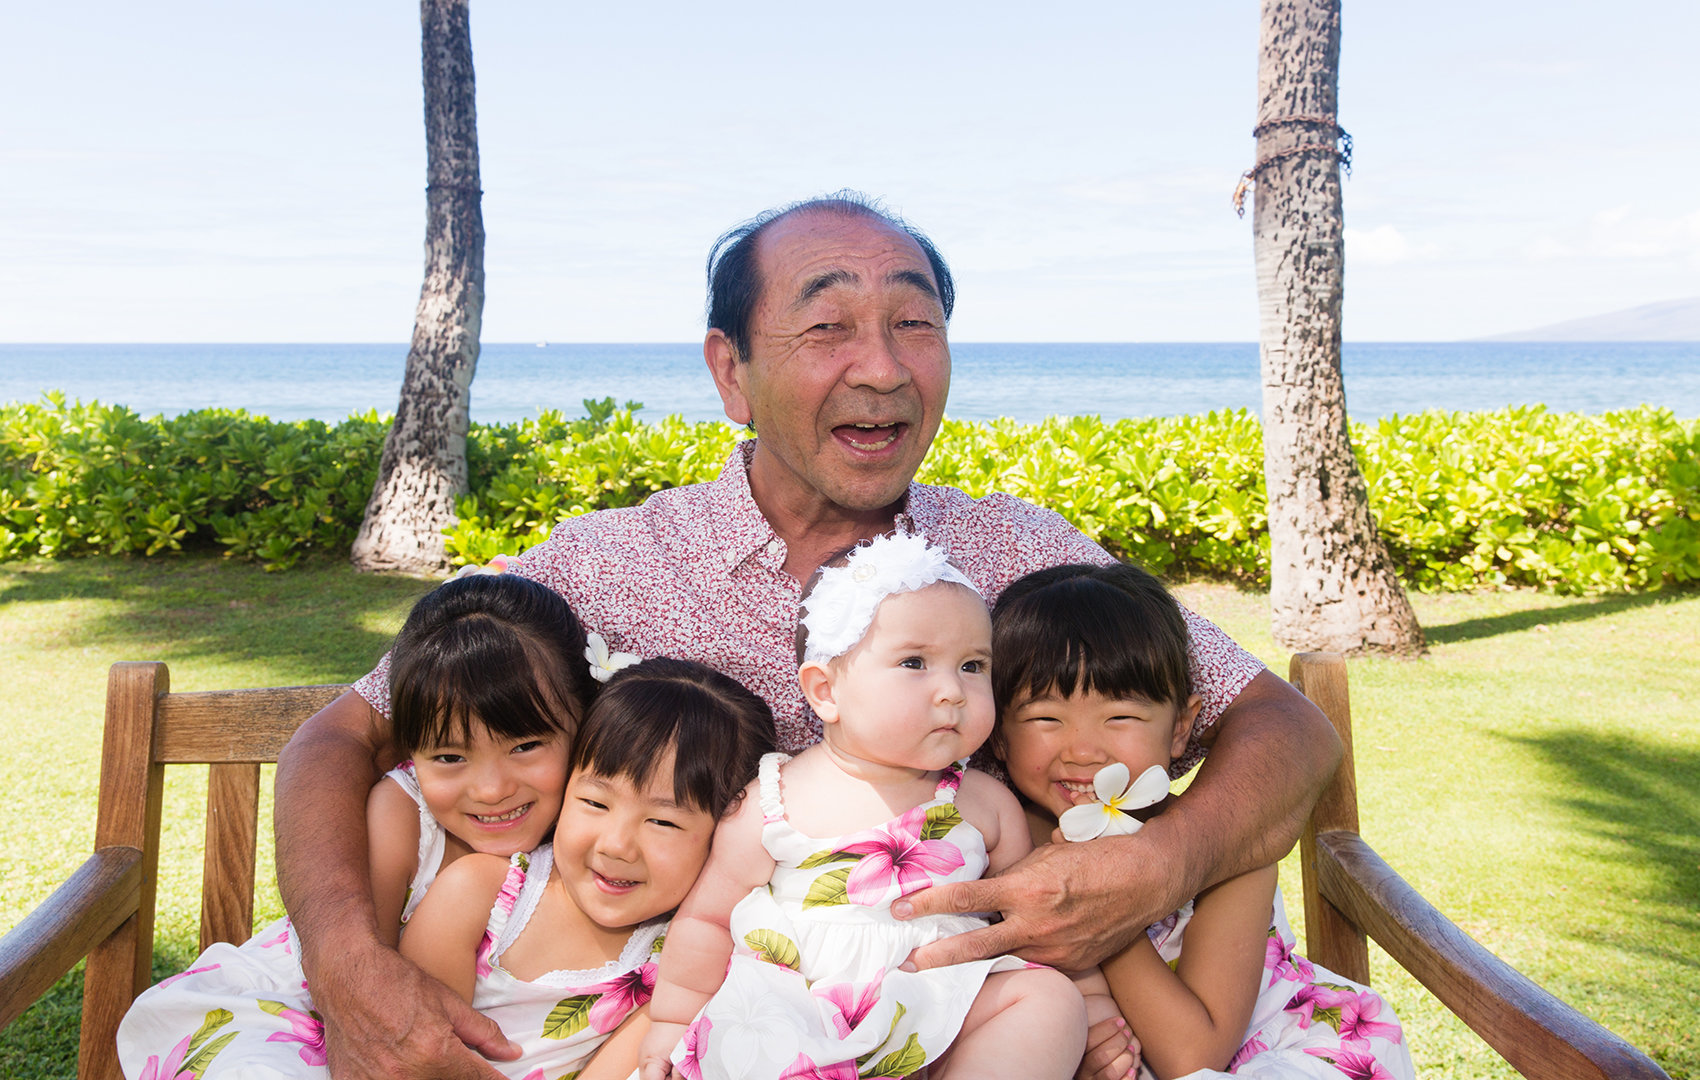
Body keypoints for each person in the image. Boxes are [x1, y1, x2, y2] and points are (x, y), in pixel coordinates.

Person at [275, 192, 1341, 1080]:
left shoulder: (1018, 555)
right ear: (730, 371)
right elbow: (340, 740)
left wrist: (1160, 863)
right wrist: (347, 960)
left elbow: (1279, 727)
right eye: (825, 327)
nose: (881, 368)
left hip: (957, 1010)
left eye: (913, 325)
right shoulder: (610, 564)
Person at [638, 533, 1109, 1080]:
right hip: (801, 1022)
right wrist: (671, 1023)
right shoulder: (773, 799)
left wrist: (1091, 1005)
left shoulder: (986, 804)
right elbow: (707, 921)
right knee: (753, 1037)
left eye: (974, 666)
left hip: (942, 1012)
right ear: (825, 691)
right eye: (915, 662)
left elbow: (1037, 920)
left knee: (1045, 999)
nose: (953, 691)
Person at [117, 572, 596, 1079]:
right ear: (410, 752)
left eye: (524, 746)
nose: (491, 789)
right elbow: (363, 994)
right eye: (450, 756)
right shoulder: (403, 814)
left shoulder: (600, 836)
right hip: (307, 1013)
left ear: (581, 725)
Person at [990, 563, 1413, 1080]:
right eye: (1044, 718)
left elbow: (1193, 1057)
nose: (1082, 751)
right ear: (999, 734)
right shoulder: (994, 837)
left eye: (1120, 716)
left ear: (1180, 729)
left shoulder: (1229, 847)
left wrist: (1102, 911)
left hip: (1277, 1053)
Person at [401, 657, 775, 1080]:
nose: (616, 845)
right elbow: (405, 1047)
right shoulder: (477, 895)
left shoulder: (680, 972)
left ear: (725, 836)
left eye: (663, 822)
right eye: (595, 802)